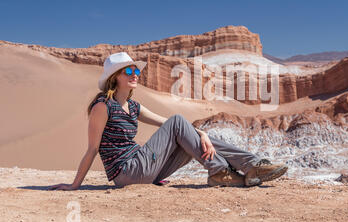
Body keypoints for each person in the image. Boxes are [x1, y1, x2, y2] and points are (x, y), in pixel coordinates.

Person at [49, 52, 288, 190]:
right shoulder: (103, 106)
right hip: (127, 172)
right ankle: (229, 170)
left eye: (136, 72)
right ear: (115, 78)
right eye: (128, 72)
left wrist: (201, 134)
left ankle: (248, 167)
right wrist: (74, 185)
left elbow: (171, 126)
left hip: (145, 170)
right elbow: (92, 148)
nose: (135, 76)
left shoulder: (133, 106)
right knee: (178, 122)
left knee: (188, 138)